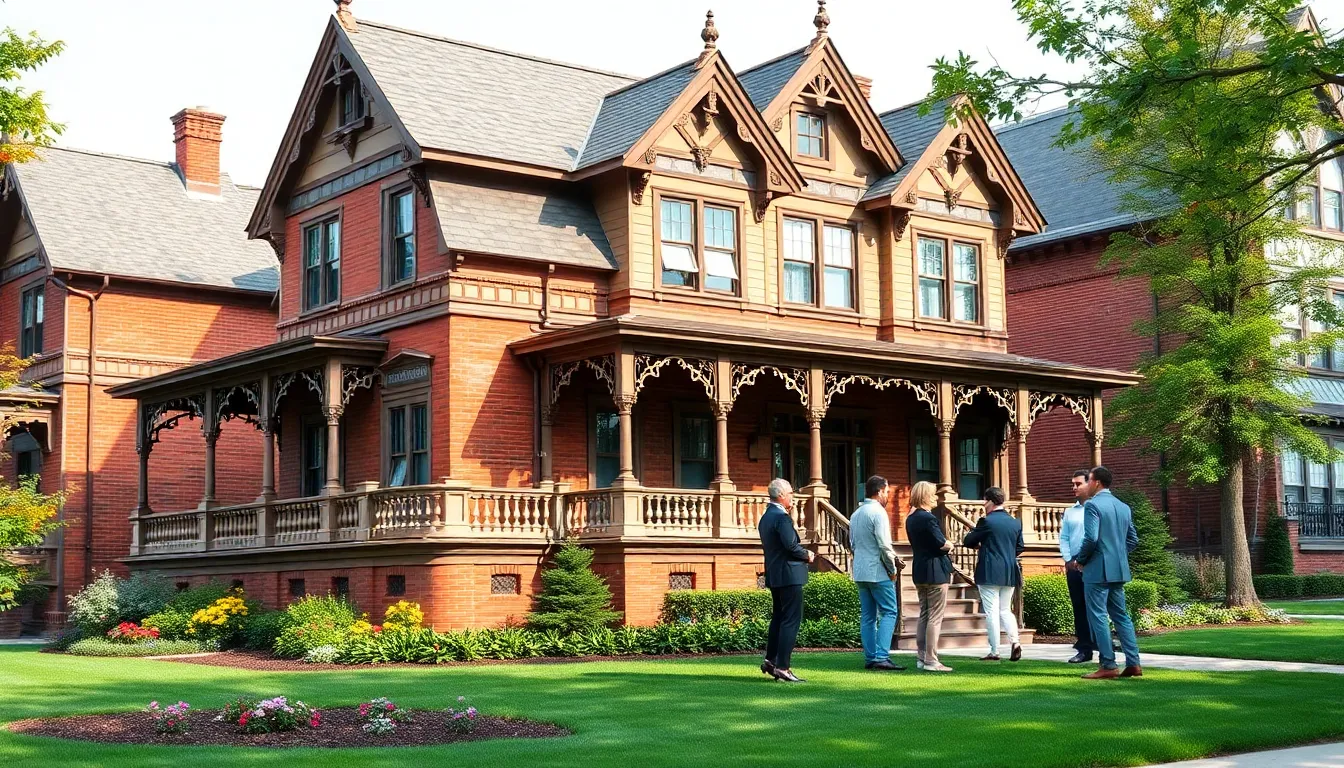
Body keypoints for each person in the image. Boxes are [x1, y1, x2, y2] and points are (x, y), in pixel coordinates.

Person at [1069, 465, 1142, 679]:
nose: (1088, 484)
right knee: (1122, 617)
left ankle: (1108, 665)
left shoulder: (1093, 506)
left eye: (1089, 480)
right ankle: (1134, 663)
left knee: (1098, 616)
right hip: (1118, 569)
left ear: (1097, 482)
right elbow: (1133, 540)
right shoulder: (1123, 507)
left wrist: (1080, 560)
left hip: (1097, 570)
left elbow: (1090, 538)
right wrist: (1117, 555)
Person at [758, 477, 814, 683]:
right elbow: (791, 546)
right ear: (781, 496)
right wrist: (807, 554)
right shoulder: (781, 518)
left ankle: (771, 660)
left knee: (779, 619)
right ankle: (783, 667)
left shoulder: (766, 517)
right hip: (790, 575)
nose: (793, 496)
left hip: (775, 574)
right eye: (791, 493)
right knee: (791, 620)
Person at [849, 475, 905, 671]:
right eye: (887, 491)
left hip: (860, 570)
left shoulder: (856, 514)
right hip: (878, 571)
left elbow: (852, 544)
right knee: (890, 611)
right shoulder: (878, 512)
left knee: (868, 616)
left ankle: (871, 657)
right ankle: (881, 656)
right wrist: (892, 569)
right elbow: (884, 545)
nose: (888, 495)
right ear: (880, 491)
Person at [963, 486, 1024, 662]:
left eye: (984, 501)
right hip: (1009, 570)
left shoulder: (986, 522)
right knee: (1005, 609)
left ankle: (995, 650)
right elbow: (1020, 546)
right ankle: (1015, 642)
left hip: (989, 570)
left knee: (991, 611)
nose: (983, 504)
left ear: (989, 501)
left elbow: (968, 541)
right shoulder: (1015, 522)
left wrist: (982, 547)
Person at [904, 480, 955, 672]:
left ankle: (921, 657)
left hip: (919, 570)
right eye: (933, 494)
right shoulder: (928, 519)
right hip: (935, 571)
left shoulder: (910, 518)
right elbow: (941, 544)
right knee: (935, 616)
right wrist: (950, 544)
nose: (936, 497)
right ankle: (932, 660)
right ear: (925, 496)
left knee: (924, 614)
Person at [1060, 470, 1096, 664]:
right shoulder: (1070, 511)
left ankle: (1102, 644)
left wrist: (1084, 558)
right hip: (1074, 564)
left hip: (1093, 562)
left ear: (1089, 484)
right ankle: (1084, 648)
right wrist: (1068, 559)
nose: (1074, 487)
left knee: (1098, 606)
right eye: (1072, 484)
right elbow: (1064, 537)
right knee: (1079, 607)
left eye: (1078, 484)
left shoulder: (1096, 508)